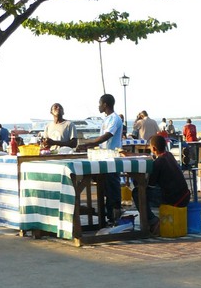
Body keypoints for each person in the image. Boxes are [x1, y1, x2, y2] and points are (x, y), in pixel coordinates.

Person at [134, 135, 190, 235]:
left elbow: (150, 185)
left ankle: (152, 221)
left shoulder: (158, 163)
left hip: (174, 199)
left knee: (137, 192)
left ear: (154, 148)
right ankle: (152, 220)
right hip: (185, 195)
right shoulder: (169, 155)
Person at [81, 94, 124, 222]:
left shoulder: (114, 119)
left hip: (112, 157)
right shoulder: (106, 119)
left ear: (105, 104)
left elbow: (107, 135)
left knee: (113, 185)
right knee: (105, 186)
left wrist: (90, 143)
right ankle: (107, 214)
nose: (98, 106)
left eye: (100, 103)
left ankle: (115, 213)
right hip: (103, 156)